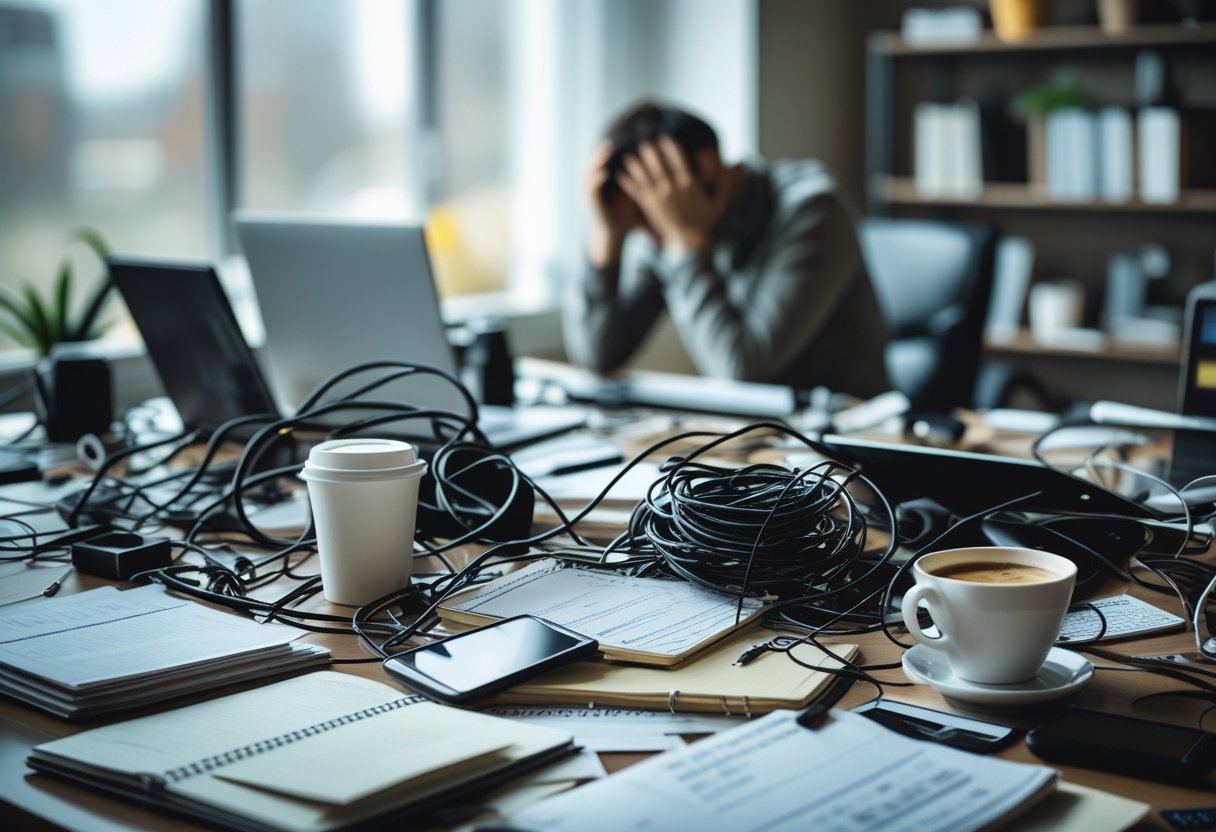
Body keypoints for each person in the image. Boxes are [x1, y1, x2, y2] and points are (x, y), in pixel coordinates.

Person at [563, 101, 890, 398]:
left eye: (649, 215)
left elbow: (741, 369)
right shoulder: (660, 229)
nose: (648, 235)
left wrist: (686, 243)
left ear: (708, 166)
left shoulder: (814, 210)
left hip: (846, 439)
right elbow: (597, 354)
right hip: (749, 437)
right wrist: (607, 236)